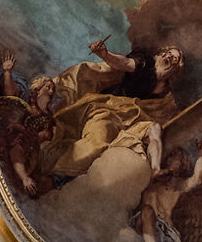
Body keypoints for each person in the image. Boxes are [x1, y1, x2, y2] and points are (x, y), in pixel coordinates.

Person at [28, 39, 188, 187]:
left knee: (155, 129)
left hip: (133, 122)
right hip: (110, 111)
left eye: (175, 59)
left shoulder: (166, 93)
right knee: (96, 145)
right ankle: (55, 176)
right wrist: (105, 54)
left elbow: (171, 114)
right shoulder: (145, 64)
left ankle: (155, 169)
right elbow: (124, 63)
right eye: (168, 54)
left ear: (176, 69)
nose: (170, 58)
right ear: (160, 55)